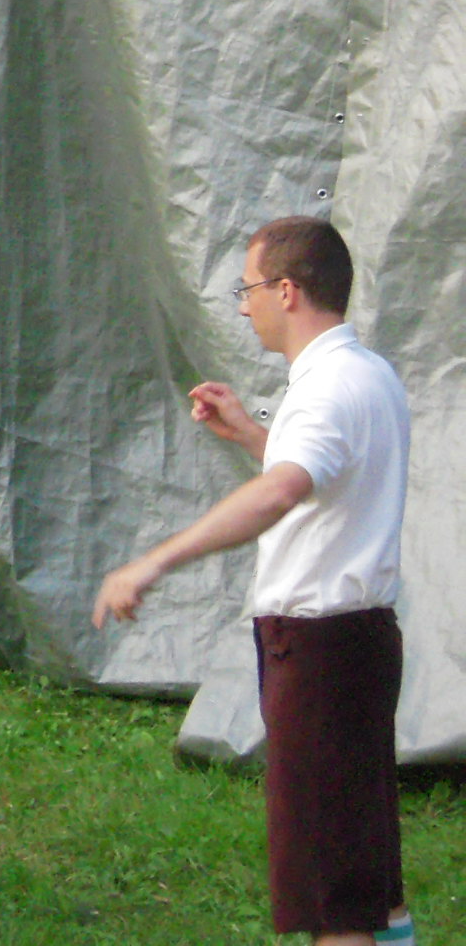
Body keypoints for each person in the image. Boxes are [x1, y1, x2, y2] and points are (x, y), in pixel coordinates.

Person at [94, 217, 415, 946]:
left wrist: (153, 561)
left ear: (287, 290)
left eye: (248, 289)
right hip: (359, 643)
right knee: (364, 869)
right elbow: (321, 480)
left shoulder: (325, 389)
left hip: (321, 652)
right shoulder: (369, 373)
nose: (244, 307)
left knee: (334, 898)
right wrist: (249, 434)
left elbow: (280, 493)